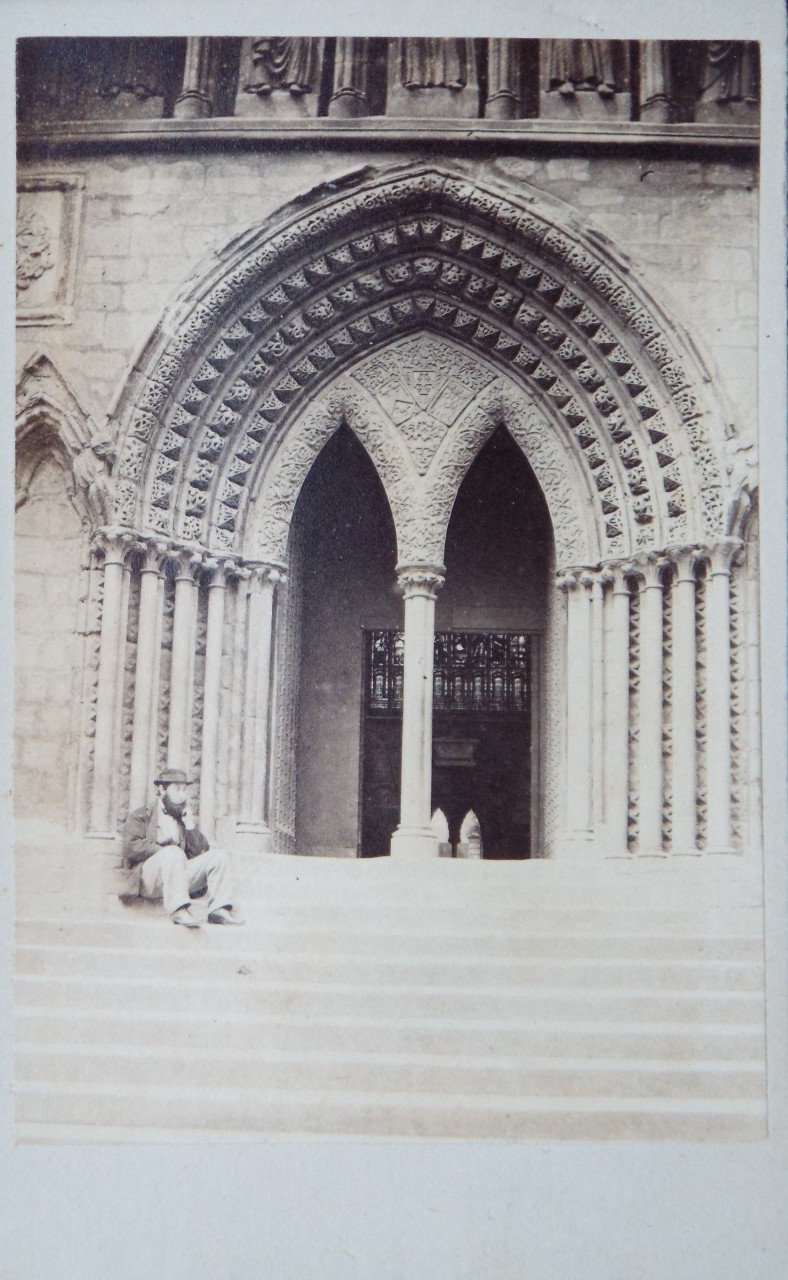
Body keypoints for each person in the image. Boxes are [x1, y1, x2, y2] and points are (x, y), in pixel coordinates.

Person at [119, 768, 243, 928]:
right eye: (177, 789)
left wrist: (189, 825)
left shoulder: (181, 818)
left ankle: (218, 910)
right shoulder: (142, 815)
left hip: (178, 878)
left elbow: (201, 850)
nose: (183, 796)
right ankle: (179, 910)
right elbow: (131, 847)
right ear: (162, 789)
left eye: (184, 790)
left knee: (218, 857)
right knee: (173, 852)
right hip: (150, 879)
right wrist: (162, 850)